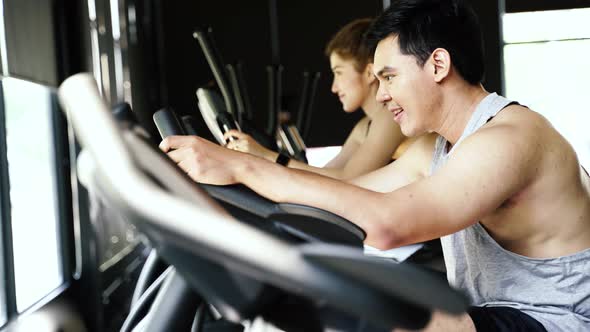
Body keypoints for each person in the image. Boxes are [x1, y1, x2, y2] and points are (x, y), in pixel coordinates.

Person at [160, 0, 590, 330]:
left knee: (386, 311)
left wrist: (246, 168)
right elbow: (354, 195)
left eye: (389, 76)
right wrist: (235, 179)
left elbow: (388, 225)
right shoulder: (438, 148)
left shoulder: (509, 138)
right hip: (495, 314)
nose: (381, 95)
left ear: (438, 65)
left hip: (554, 320)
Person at [224, 18, 421, 180]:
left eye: (339, 72)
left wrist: (266, 156)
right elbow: (327, 175)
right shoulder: (364, 126)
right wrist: (261, 159)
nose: (334, 87)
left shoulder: (391, 117)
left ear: (369, 73)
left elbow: (347, 179)